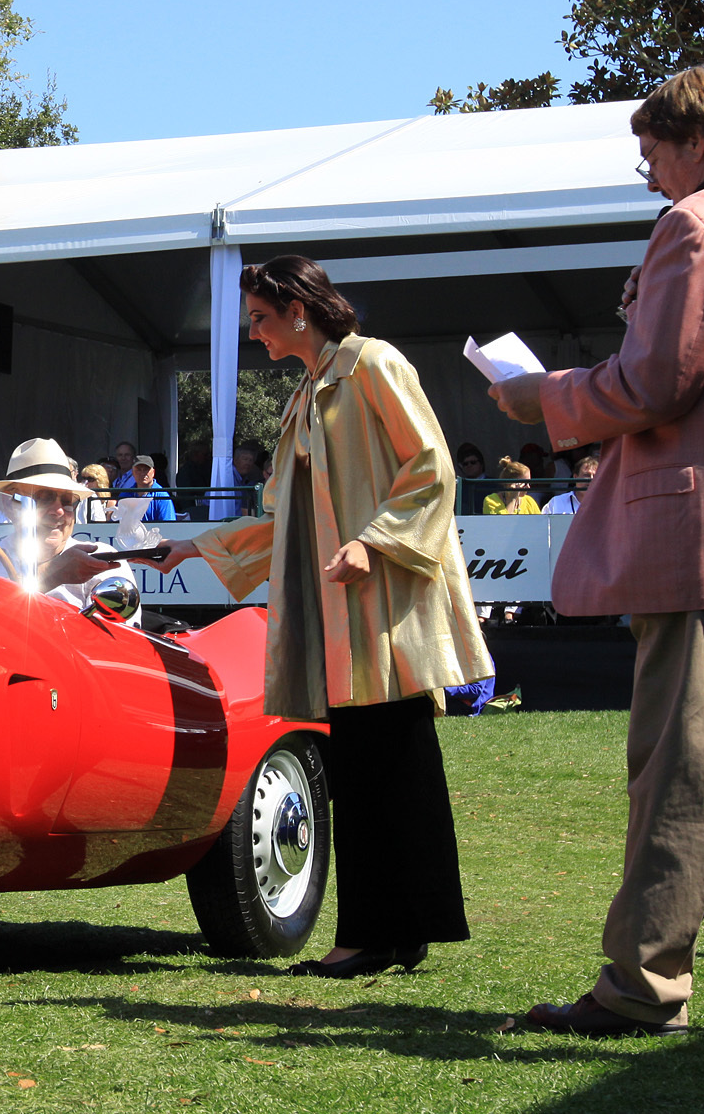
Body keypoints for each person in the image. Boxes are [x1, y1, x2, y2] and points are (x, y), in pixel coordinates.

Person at [490, 65, 704, 1039]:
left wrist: (541, 398)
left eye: (649, 154)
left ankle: (642, 987)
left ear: (693, 140)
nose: (646, 177)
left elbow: (652, 384)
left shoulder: (699, 228)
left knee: (680, 772)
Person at [154, 254, 491, 979]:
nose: (255, 333)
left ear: (297, 309)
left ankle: (378, 934)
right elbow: (282, 519)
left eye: (260, 318)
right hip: (341, 617)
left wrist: (374, 544)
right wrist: (189, 547)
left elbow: (432, 467)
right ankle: (395, 932)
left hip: (382, 608)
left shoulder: (371, 365)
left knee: (390, 765)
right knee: (378, 766)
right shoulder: (309, 392)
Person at [0, 438, 131, 612]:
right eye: (43, 498)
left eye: (68, 501)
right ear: (10, 504)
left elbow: (115, 637)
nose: (58, 511)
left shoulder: (100, 560)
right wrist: (51, 575)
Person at [453, 443, 487, 515]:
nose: (469, 466)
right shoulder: (458, 487)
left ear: (481, 464)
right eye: (465, 464)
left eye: (473, 462)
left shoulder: (494, 484)